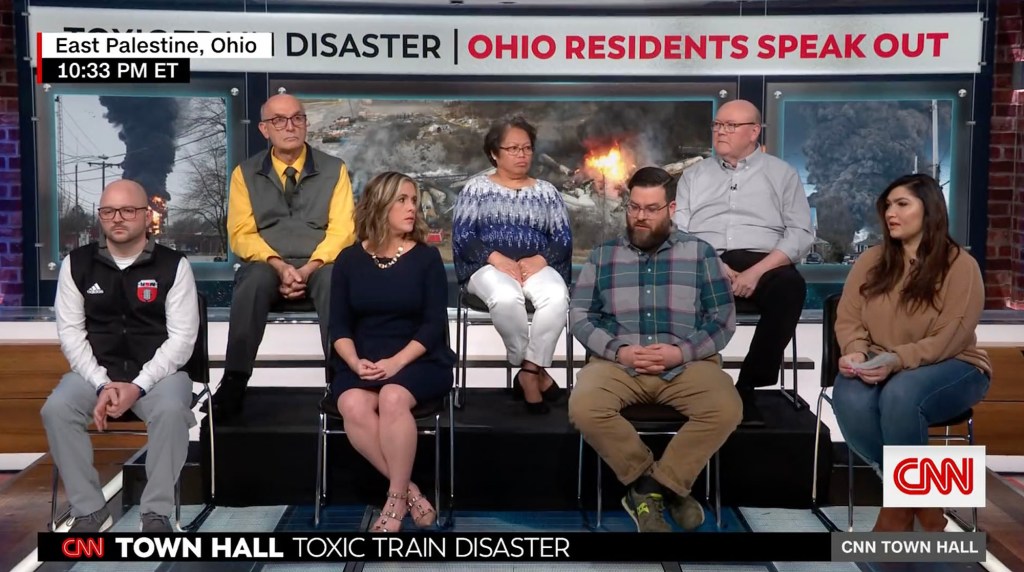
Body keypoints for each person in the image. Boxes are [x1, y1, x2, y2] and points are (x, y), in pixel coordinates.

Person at [568, 166, 741, 533]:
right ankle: (658, 487)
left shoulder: (700, 253)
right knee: (584, 406)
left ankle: (654, 488)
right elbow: (581, 316)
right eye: (634, 207)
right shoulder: (603, 256)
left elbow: (722, 318)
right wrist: (619, 351)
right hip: (619, 364)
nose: (641, 217)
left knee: (725, 407)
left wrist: (682, 353)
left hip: (685, 363)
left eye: (651, 209)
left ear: (671, 208)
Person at [832, 173, 990, 533]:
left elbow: (952, 335)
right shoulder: (871, 261)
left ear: (930, 211)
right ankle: (925, 502)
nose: (891, 213)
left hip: (955, 366)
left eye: (902, 204)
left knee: (902, 394)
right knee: (849, 396)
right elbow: (849, 318)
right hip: (880, 362)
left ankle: (898, 508)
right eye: (888, 205)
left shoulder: (960, 266)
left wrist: (897, 361)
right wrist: (856, 352)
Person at [41, 180, 199, 533]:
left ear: (147, 216)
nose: (118, 218)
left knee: (172, 411)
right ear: (100, 217)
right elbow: (70, 333)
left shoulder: (175, 266)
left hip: (159, 376)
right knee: (57, 408)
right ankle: (91, 510)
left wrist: (138, 386)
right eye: (109, 211)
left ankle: (155, 513)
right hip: (95, 374)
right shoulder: (76, 265)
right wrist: (101, 383)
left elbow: (183, 340)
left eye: (128, 210)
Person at [215, 93, 356, 419]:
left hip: (319, 266)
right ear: (265, 129)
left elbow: (343, 232)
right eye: (279, 120)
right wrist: (278, 266)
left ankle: (340, 381)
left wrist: (307, 269)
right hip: (268, 266)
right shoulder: (244, 173)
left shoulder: (335, 169)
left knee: (336, 277)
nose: (289, 126)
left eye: (297, 118)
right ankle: (235, 379)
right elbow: (241, 233)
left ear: (306, 124)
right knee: (252, 279)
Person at [674, 99, 813, 427]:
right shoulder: (693, 176)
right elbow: (678, 229)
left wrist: (756, 272)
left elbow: (801, 233)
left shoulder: (782, 174)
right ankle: (690, 387)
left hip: (764, 261)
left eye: (730, 126)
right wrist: (712, 263)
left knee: (791, 286)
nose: (720, 132)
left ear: (754, 132)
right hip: (704, 259)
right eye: (717, 125)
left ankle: (748, 386)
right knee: (671, 286)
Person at [330, 172, 455, 532]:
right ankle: (410, 491)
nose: (412, 207)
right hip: (364, 359)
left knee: (392, 397)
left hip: (419, 358)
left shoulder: (427, 258)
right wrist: (354, 361)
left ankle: (395, 502)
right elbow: (338, 326)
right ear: (379, 205)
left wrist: (396, 362)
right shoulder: (350, 259)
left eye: (413, 200)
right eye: (402, 200)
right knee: (352, 403)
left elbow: (433, 326)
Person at [452, 115, 573, 414]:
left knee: (557, 297)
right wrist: (495, 258)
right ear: (494, 152)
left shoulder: (547, 192)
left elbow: (563, 238)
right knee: (506, 297)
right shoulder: (476, 189)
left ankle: (529, 372)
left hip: (537, 265)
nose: (522, 155)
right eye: (513, 149)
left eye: (527, 148)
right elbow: (463, 236)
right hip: (488, 266)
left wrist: (540, 259)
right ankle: (535, 372)